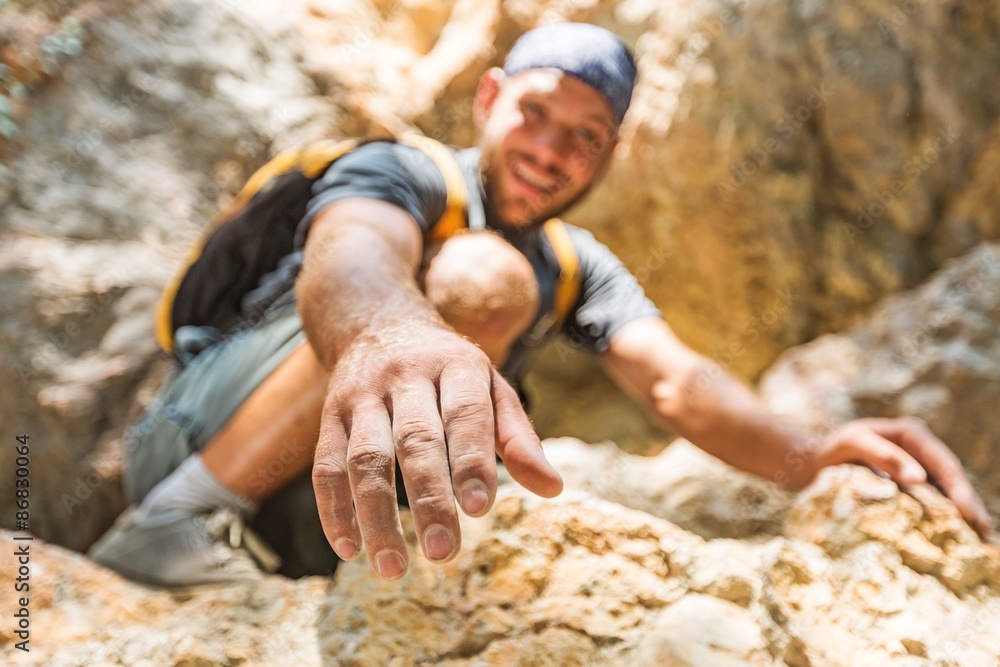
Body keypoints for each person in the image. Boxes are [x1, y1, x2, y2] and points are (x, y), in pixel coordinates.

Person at [88, 23, 994, 587]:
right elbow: (351, 256)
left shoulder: (575, 264)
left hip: (324, 498)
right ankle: (174, 520)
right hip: (194, 436)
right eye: (534, 115)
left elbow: (676, 384)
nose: (550, 152)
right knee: (484, 281)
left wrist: (808, 453)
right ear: (489, 98)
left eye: (584, 139)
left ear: (607, 157)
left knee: (505, 285)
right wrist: (388, 330)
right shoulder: (402, 170)